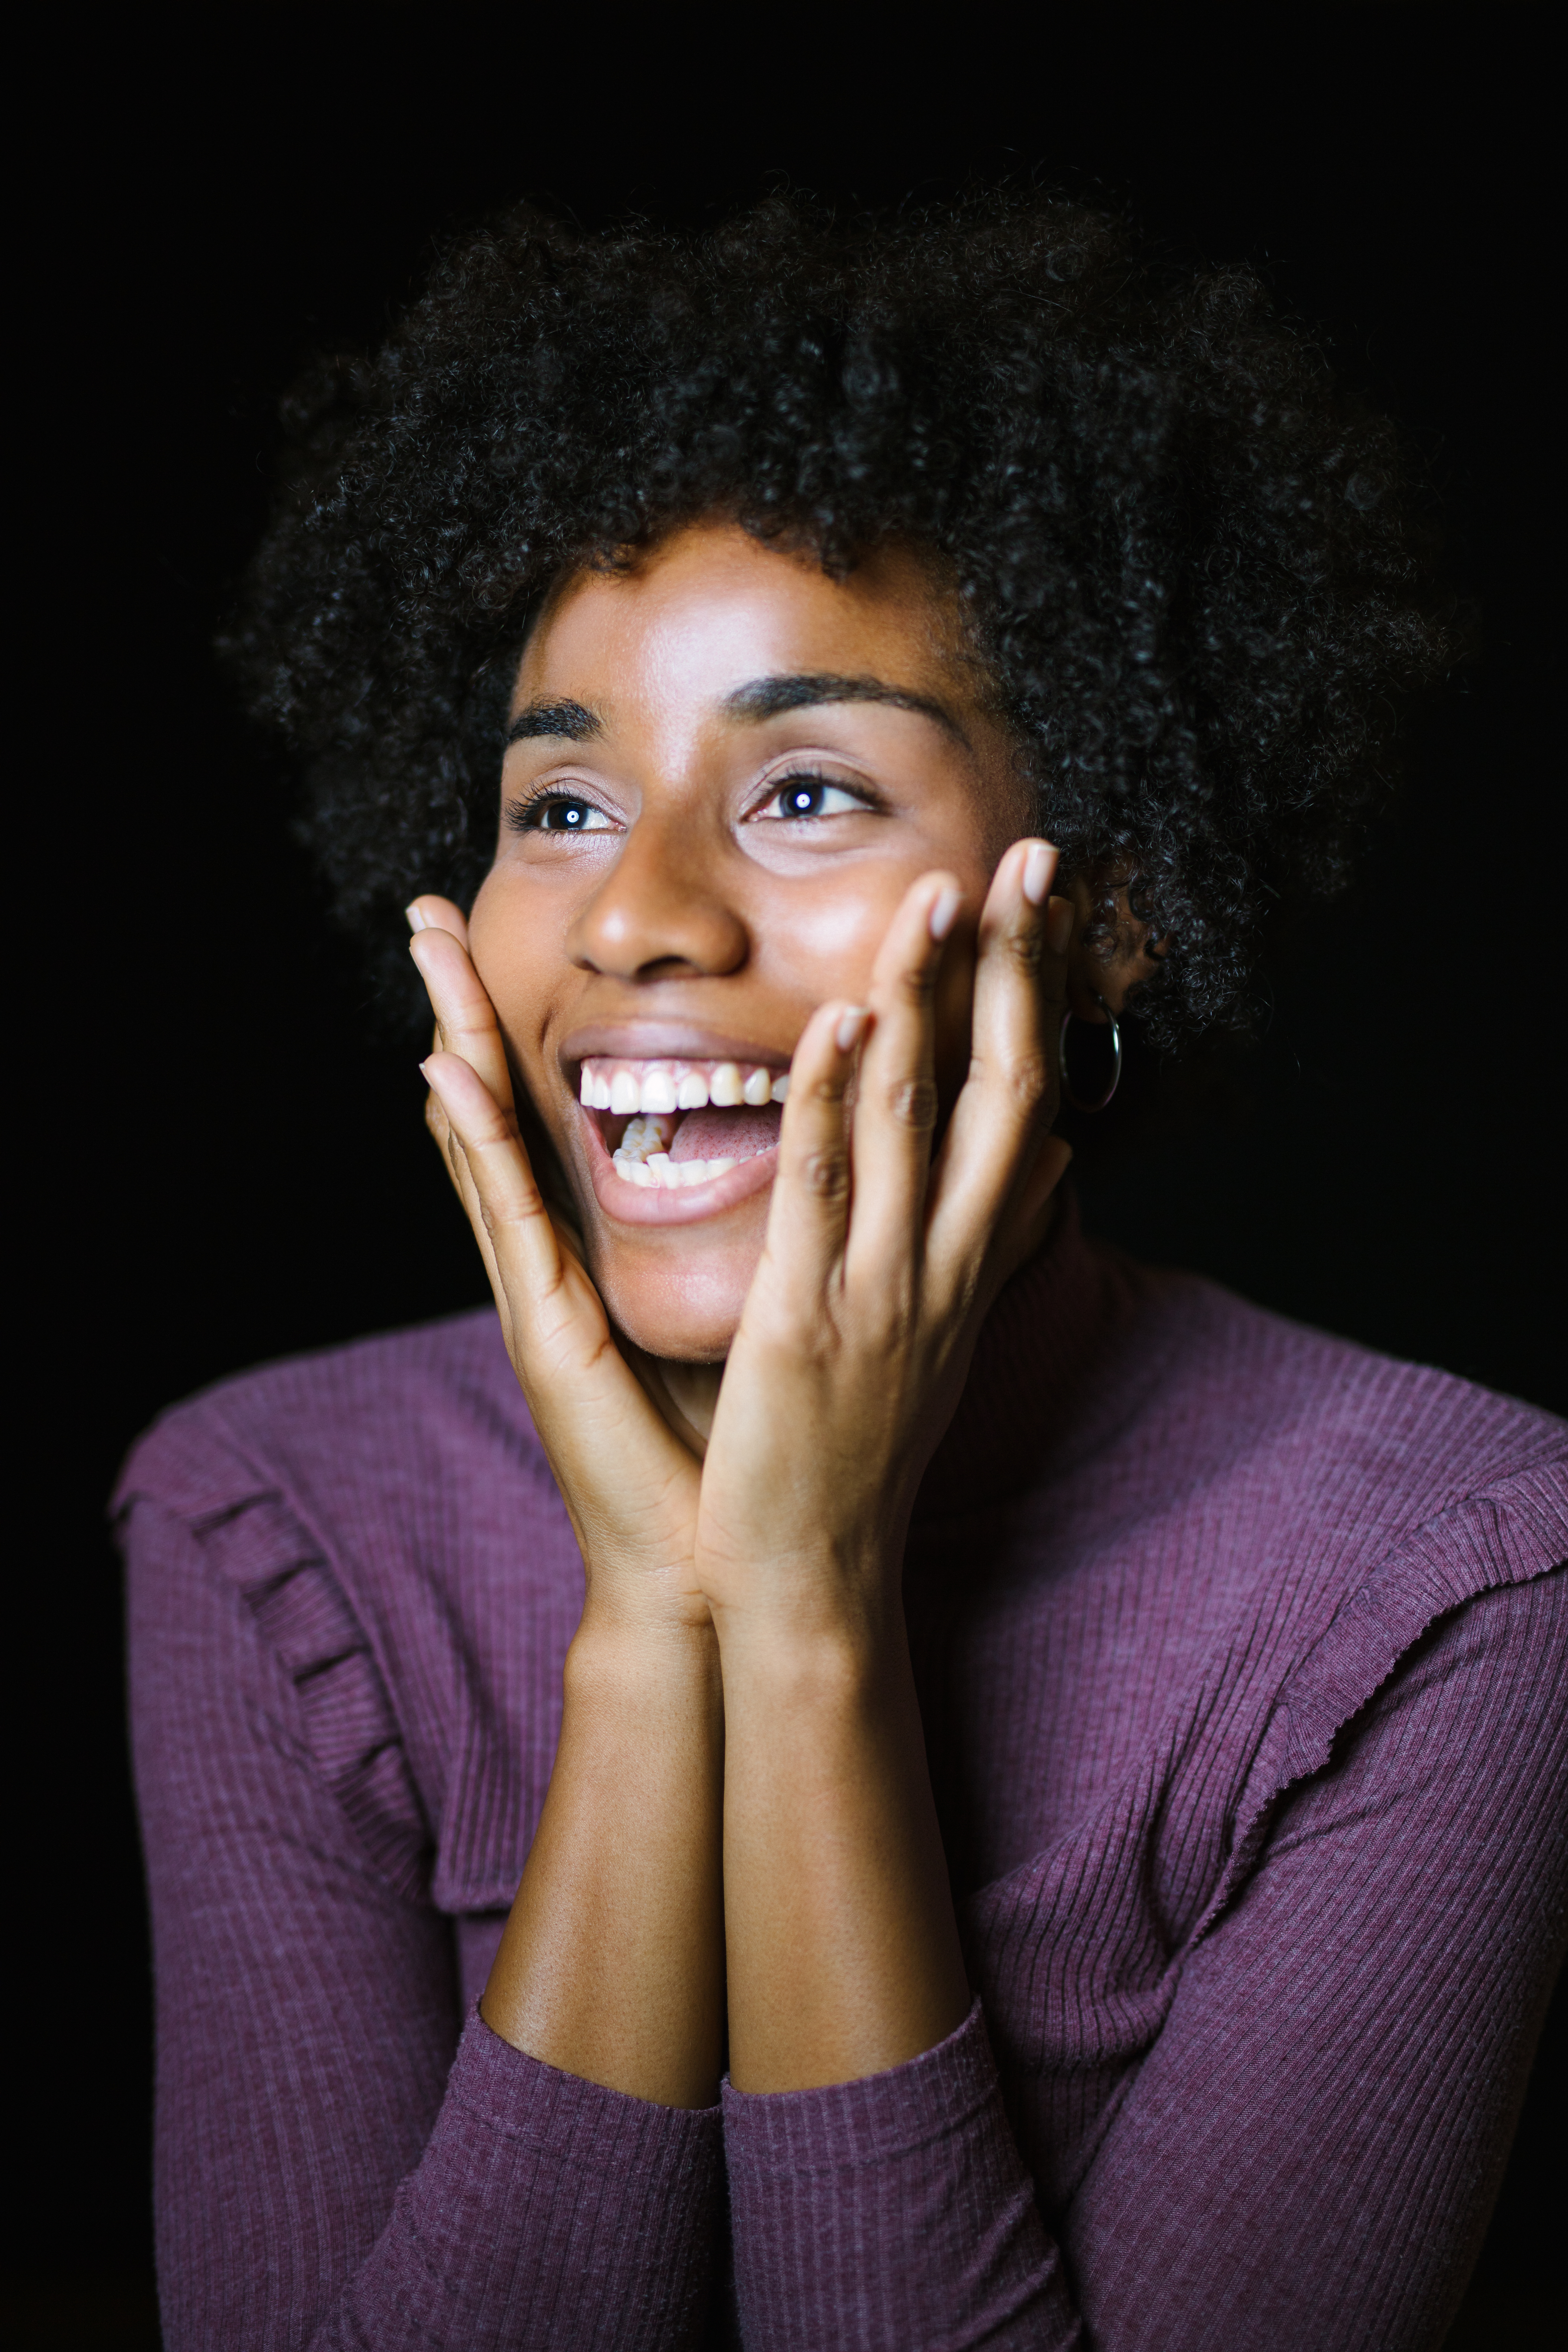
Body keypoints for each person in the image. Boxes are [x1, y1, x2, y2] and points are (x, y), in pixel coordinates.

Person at [117, 196, 1566, 2351]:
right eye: (558, 808)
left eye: (802, 789)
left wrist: (802, 1610)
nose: (635, 924)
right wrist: (648, 1640)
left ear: (1104, 911)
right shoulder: (272, 1523)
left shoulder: (1450, 1577)